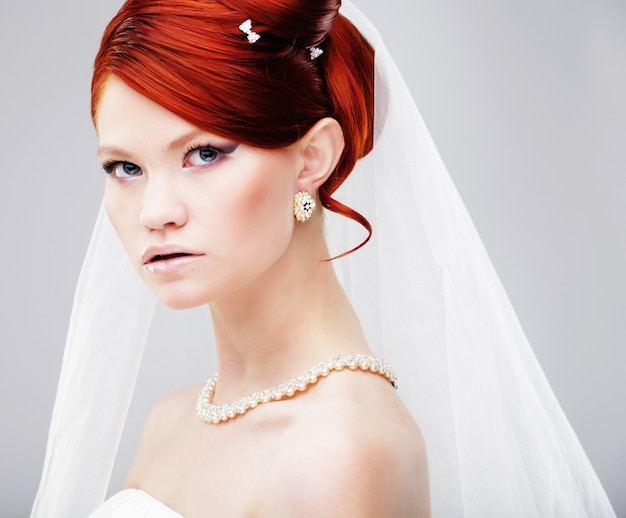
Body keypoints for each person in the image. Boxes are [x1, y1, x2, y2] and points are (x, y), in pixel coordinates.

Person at [31, 0, 616, 517]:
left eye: (204, 152)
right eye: (124, 168)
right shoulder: (170, 421)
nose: (155, 212)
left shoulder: (341, 450)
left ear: (312, 160)